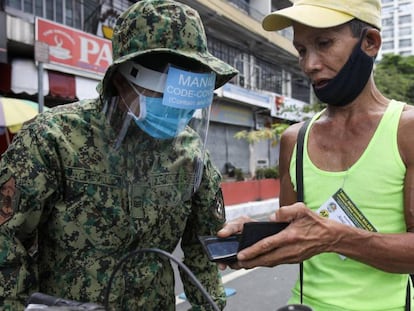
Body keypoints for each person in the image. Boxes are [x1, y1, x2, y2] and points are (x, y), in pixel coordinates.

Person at [0, 0, 238, 310]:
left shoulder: (192, 155)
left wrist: (211, 306)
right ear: (122, 79)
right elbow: (6, 239)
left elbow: (203, 248)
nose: (178, 110)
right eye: (165, 93)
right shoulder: (53, 140)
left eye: (186, 99)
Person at [217, 0, 414, 310]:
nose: (309, 65)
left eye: (324, 43)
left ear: (370, 43)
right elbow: (297, 234)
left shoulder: (407, 130)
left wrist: (337, 238)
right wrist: (254, 237)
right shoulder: (294, 140)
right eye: (302, 50)